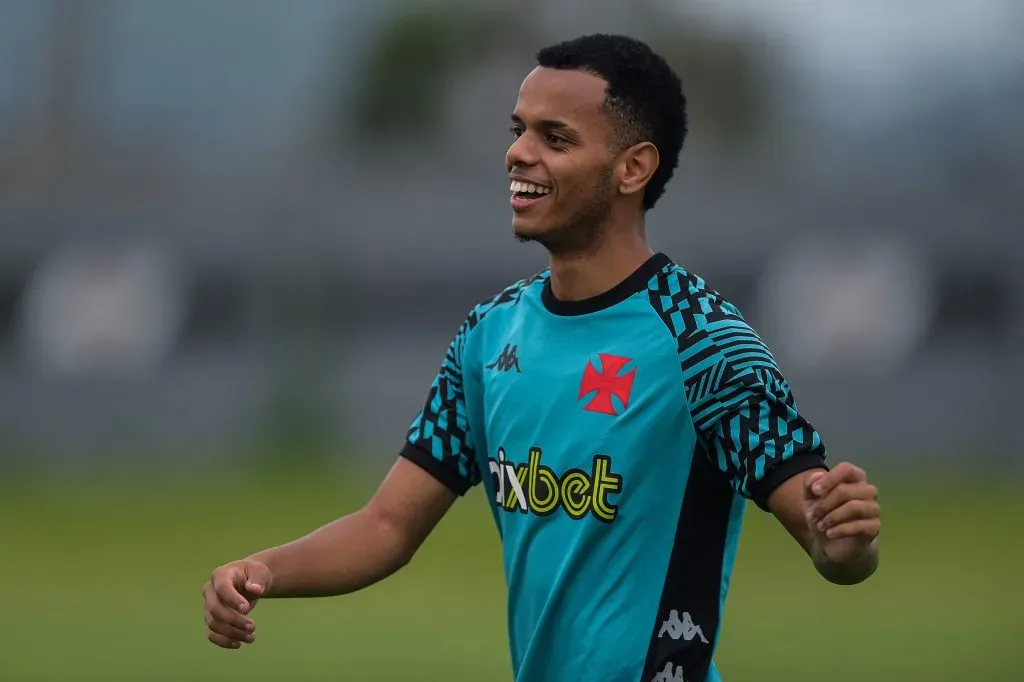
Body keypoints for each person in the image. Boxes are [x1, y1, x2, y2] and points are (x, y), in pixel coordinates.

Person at [202, 33, 881, 682]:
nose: (518, 154)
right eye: (517, 130)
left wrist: (847, 543)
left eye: (554, 138)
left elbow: (824, 533)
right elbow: (387, 525)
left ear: (632, 168)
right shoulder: (490, 335)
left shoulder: (704, 342)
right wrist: (262, 569)